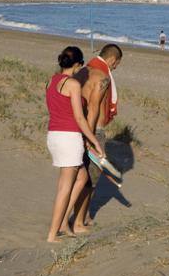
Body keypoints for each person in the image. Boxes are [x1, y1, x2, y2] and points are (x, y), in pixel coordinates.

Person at [61, 43, 123, 233]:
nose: (115, 68)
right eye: (116, 64)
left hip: (73, 127)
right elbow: (94, 108)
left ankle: (79, 217)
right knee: (89, 180)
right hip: (92, 129)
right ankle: (77, 222)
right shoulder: (102, 77)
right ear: (112, 60)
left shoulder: (82, 71)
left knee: (74, 177)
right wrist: (91, 137)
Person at [45, 46, 104, 243]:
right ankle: (52, 235)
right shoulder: (73, 84)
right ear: (77, 64)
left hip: (54, 135)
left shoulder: (51, 80)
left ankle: (62, 224)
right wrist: (94, 141)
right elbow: (79, 117)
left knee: (82, 177)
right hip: (69, 138)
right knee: (65, 187)